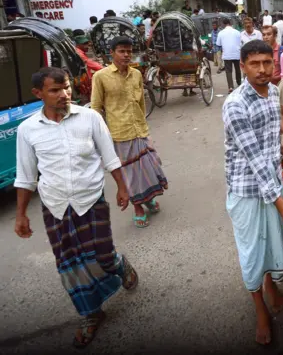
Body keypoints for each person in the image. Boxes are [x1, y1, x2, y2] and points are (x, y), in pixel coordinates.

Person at [14, 67, 139, 348]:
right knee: (69, 263)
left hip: (90, 199)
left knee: (103, 255)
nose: (64, 95)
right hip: (55, 205)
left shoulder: (90, 118)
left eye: (67, 88)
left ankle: (119, 265)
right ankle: (90, 314)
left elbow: (109, 156)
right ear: (38, 94)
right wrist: (20, 214)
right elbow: (25, 176)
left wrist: (122, 187)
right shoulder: (27, 130)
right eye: (55, 91)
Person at [223, 40, 283, 345]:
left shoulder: (275, 91)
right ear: (242, 66)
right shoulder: (235, 104)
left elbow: (272, 125)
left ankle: (271, 285)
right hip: (247, 189)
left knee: (270, 243)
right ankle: (260, 309)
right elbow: (252, 156)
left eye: (268, 62)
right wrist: (280, 201)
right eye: (255, 64)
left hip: (272, 180)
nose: (263, 70)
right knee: (252, 251)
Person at [91, 36, 168, 228]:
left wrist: (143, 125)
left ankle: (148, 198)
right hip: (119, 134)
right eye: (121, 51)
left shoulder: (136, 74)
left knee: (150, 166)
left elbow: (141, 102)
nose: (126, 55)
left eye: (129, 51)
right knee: (130, 174)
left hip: (140, 129)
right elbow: (95, 109)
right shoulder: (100, 77)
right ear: (112, 53)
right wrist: (99, 137)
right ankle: (138, 208)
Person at [217, 17, 243, 93]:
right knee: (238, 69)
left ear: (223, 24)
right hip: (236, 53)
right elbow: (241, 43)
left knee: (228, 71)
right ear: (230, 23)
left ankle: (230, 87)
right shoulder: (237, 32)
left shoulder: (221, 33)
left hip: (227, 54)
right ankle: (239, 84)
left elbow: (218, 44)